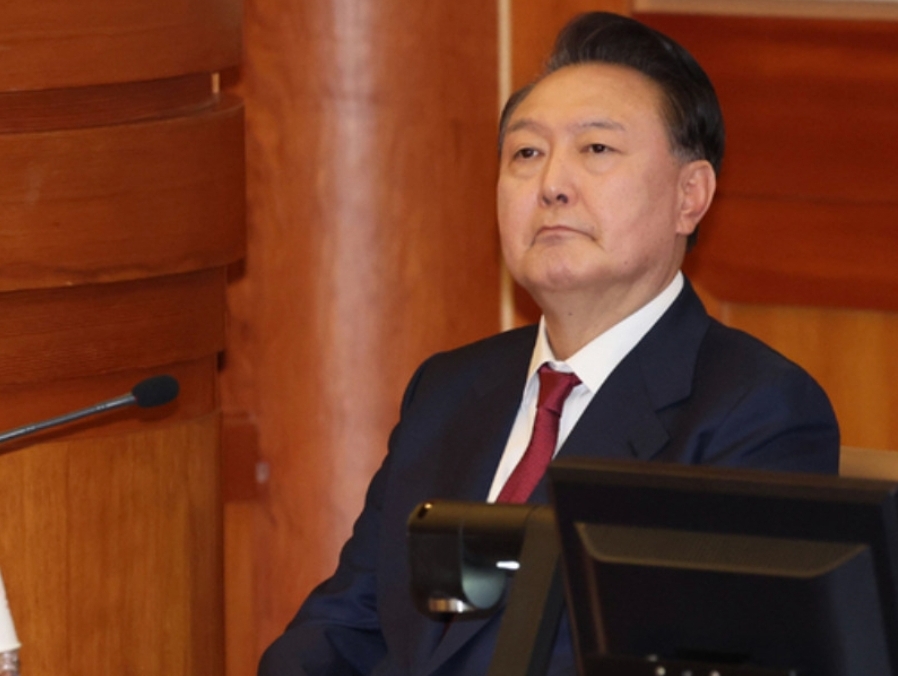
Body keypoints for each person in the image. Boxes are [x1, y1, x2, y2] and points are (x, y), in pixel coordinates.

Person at [259, 11, 839, 676]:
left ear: (690, 196)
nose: (553, 185)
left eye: (597, 150)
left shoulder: (755, 413)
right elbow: (346, 626)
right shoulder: (448, 391)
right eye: (527, 154)